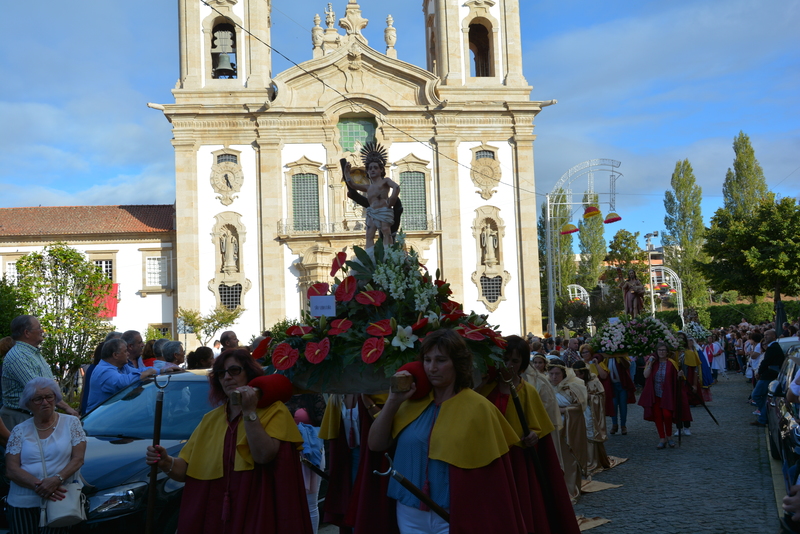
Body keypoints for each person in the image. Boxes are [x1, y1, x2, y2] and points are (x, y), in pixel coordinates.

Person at [368, 329, 526, 534]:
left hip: (456, 514)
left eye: (441, 360)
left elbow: (492, 479)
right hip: (409, 512)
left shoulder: (479, 407)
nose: (432, 368)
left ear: (457, 364)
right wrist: (393, 401)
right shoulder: (410, 404)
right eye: (427, 360)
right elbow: (376, 444)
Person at [145, 349, 313, 533]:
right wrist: (166, 461)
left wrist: (249, 411)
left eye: (234, 370)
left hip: (256, 506)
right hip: (214, 511)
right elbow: (185, 470)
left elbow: (264, 455)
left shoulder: (274, 410)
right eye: (220, 374)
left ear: (248, 373)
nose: (227, 377)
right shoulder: (211, 419)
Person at [478, 336, 581, 534]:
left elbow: (539, 428)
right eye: (505, 359)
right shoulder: (486, 388)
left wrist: (534, 435)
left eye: (514, 361)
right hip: (490, 458)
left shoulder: (528, 392)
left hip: (516, 460)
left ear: (523, 364)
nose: (508, 365)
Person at [5, 377, 87, 532]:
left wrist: (57, 480)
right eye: (38, 399)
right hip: (23, 503)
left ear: (55, 398)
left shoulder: (71, 423)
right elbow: (11, 469)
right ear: (28, 403)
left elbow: (78, 459)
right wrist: (41, 486)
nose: (45, 402)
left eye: (49, 396)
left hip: (60, 501)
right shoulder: (19, 430)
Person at [1, 315, 78, 431]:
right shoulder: (18, 356)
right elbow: (39, 390)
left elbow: (46, 386)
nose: (42, 331)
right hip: (20, 418)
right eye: (39, 328)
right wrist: (67, 408)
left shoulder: (32, 353)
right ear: (27, 333)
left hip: (33, 416)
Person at [343, 142, 400, 248]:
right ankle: (369, 256)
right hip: (372, 212)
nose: (372, 170)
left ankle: (388, 254)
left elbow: (396, 187)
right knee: (369, 235)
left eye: (375, 168)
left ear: (381, 169)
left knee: (386, 231)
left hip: (384, 211)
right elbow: (352, 184)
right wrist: (346, 173)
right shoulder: (368, 187)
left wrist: (391, 201)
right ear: (367, 172)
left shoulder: (385, 181)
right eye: (370, 168)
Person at [547, 359, 588, 502]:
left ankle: (570, 488)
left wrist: (561, 410)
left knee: (569, 458)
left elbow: (579, 407)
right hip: (551, 428)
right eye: (551, 374)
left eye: (557, 374)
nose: (554, 377)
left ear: (563, 373)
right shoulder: (544, 387)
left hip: (569, 429)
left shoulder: (573, 386)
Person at [638, 342, 691, 449]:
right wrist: (650, 364)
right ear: (656, 352)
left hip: (667, 394)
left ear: (667, 352)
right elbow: (646, 375)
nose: (661, 352)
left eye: (663, 350)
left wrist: (679, 376)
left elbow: (676, 380)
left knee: (667, 415)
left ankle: (669, 436)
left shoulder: (671, 363)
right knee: (658, 416)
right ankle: (662, 438)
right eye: (659, 350)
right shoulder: (653, 363)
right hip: (655, 394)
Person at [86, 339, 158, 412]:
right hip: (98, 420)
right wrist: (147, 373)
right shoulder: (104, 371)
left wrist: (161, 370)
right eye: (125, 351)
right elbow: (124, 382)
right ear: (115, 355)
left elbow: (138, 371)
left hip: (110, 417)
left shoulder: (122, 367)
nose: (128, 354)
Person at [572, 361, 611, 474]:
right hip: (578, 411)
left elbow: (600, 396)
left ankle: (592, 460)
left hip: (590, 411)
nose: (578, 377)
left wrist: (589, 396)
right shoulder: (573, 381)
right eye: (575, 374)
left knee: (590, 433)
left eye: (580, 374)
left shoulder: (593, 381)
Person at [595, 352, 636, 435]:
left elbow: (627, 365)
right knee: (613, 405)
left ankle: (623, 425)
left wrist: (620, 356)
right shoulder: (606, 359)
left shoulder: (621, 358)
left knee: (623, 405)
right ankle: (614, 424)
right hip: (612, 385)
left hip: (622, 385)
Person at [752, 329, 784, 428]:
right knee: (765, 398)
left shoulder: (773, 347)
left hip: (768, 375)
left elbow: (766, 362)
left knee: (756, 395)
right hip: (769, 374)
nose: (765, 336)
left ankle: (764, 414)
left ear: (774, 336)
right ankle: (763, 417)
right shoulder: (773, 347)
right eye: (764, 335)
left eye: (767, 335)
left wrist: (759, 372)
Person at [674, 332, 703, 437]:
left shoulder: (690, 353)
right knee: (677, 406)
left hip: (686, 383)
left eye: (682, 339)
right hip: (676, 383)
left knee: (685, 406)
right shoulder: (673, 353)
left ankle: (686, 426)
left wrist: (695, 385)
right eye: (678, 339)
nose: (680, 341)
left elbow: (694, 370)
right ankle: (678, 427)